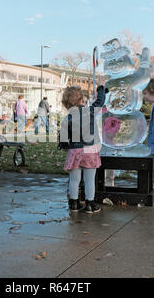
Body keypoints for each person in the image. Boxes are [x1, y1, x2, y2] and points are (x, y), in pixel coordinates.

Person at [60, 85, 106, 214]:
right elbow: (100, 102)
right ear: (82, 100)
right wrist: (101, 91)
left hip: (75, 151)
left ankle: (74, 203)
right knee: (89, 180)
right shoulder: (90, 111)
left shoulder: (67, 118)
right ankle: (90, 204)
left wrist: (65, 147)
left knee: (74, 180)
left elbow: (63, 139)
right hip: (90, 150)